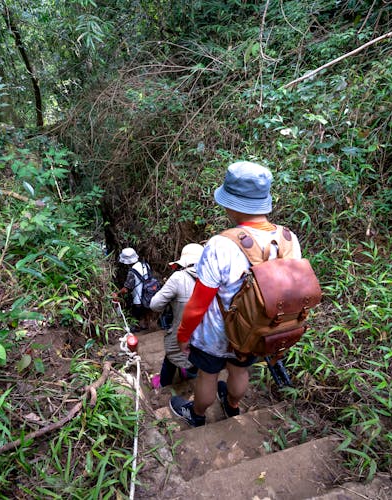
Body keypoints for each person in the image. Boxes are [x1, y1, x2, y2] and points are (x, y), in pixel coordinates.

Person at [169, 161, 302, 427]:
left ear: (232, 204)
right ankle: (232, 405)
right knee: (240, 370)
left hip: (216, 333)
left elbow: (199, 301)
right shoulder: (289, 239)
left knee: (207, 375)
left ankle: (196, 414)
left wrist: (183, 335)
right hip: (258, 328)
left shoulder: (221, 244)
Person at [148, 243, 204, 388]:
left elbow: (155, 305)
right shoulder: (214, 277)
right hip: (205, 335)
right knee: (197, 352)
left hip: (182, 332)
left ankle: (163, 384)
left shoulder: (178, 278)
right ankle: (190, 375)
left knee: (173, 353)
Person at [115, 247, 153, 331]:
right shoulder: (146, 265)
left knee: (136, 315)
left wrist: (117, 293)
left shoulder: (132, 272)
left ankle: (137, 327)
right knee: (145, 312)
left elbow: (126, 289)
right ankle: (147, 325)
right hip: (149, 296)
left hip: (138, 300)